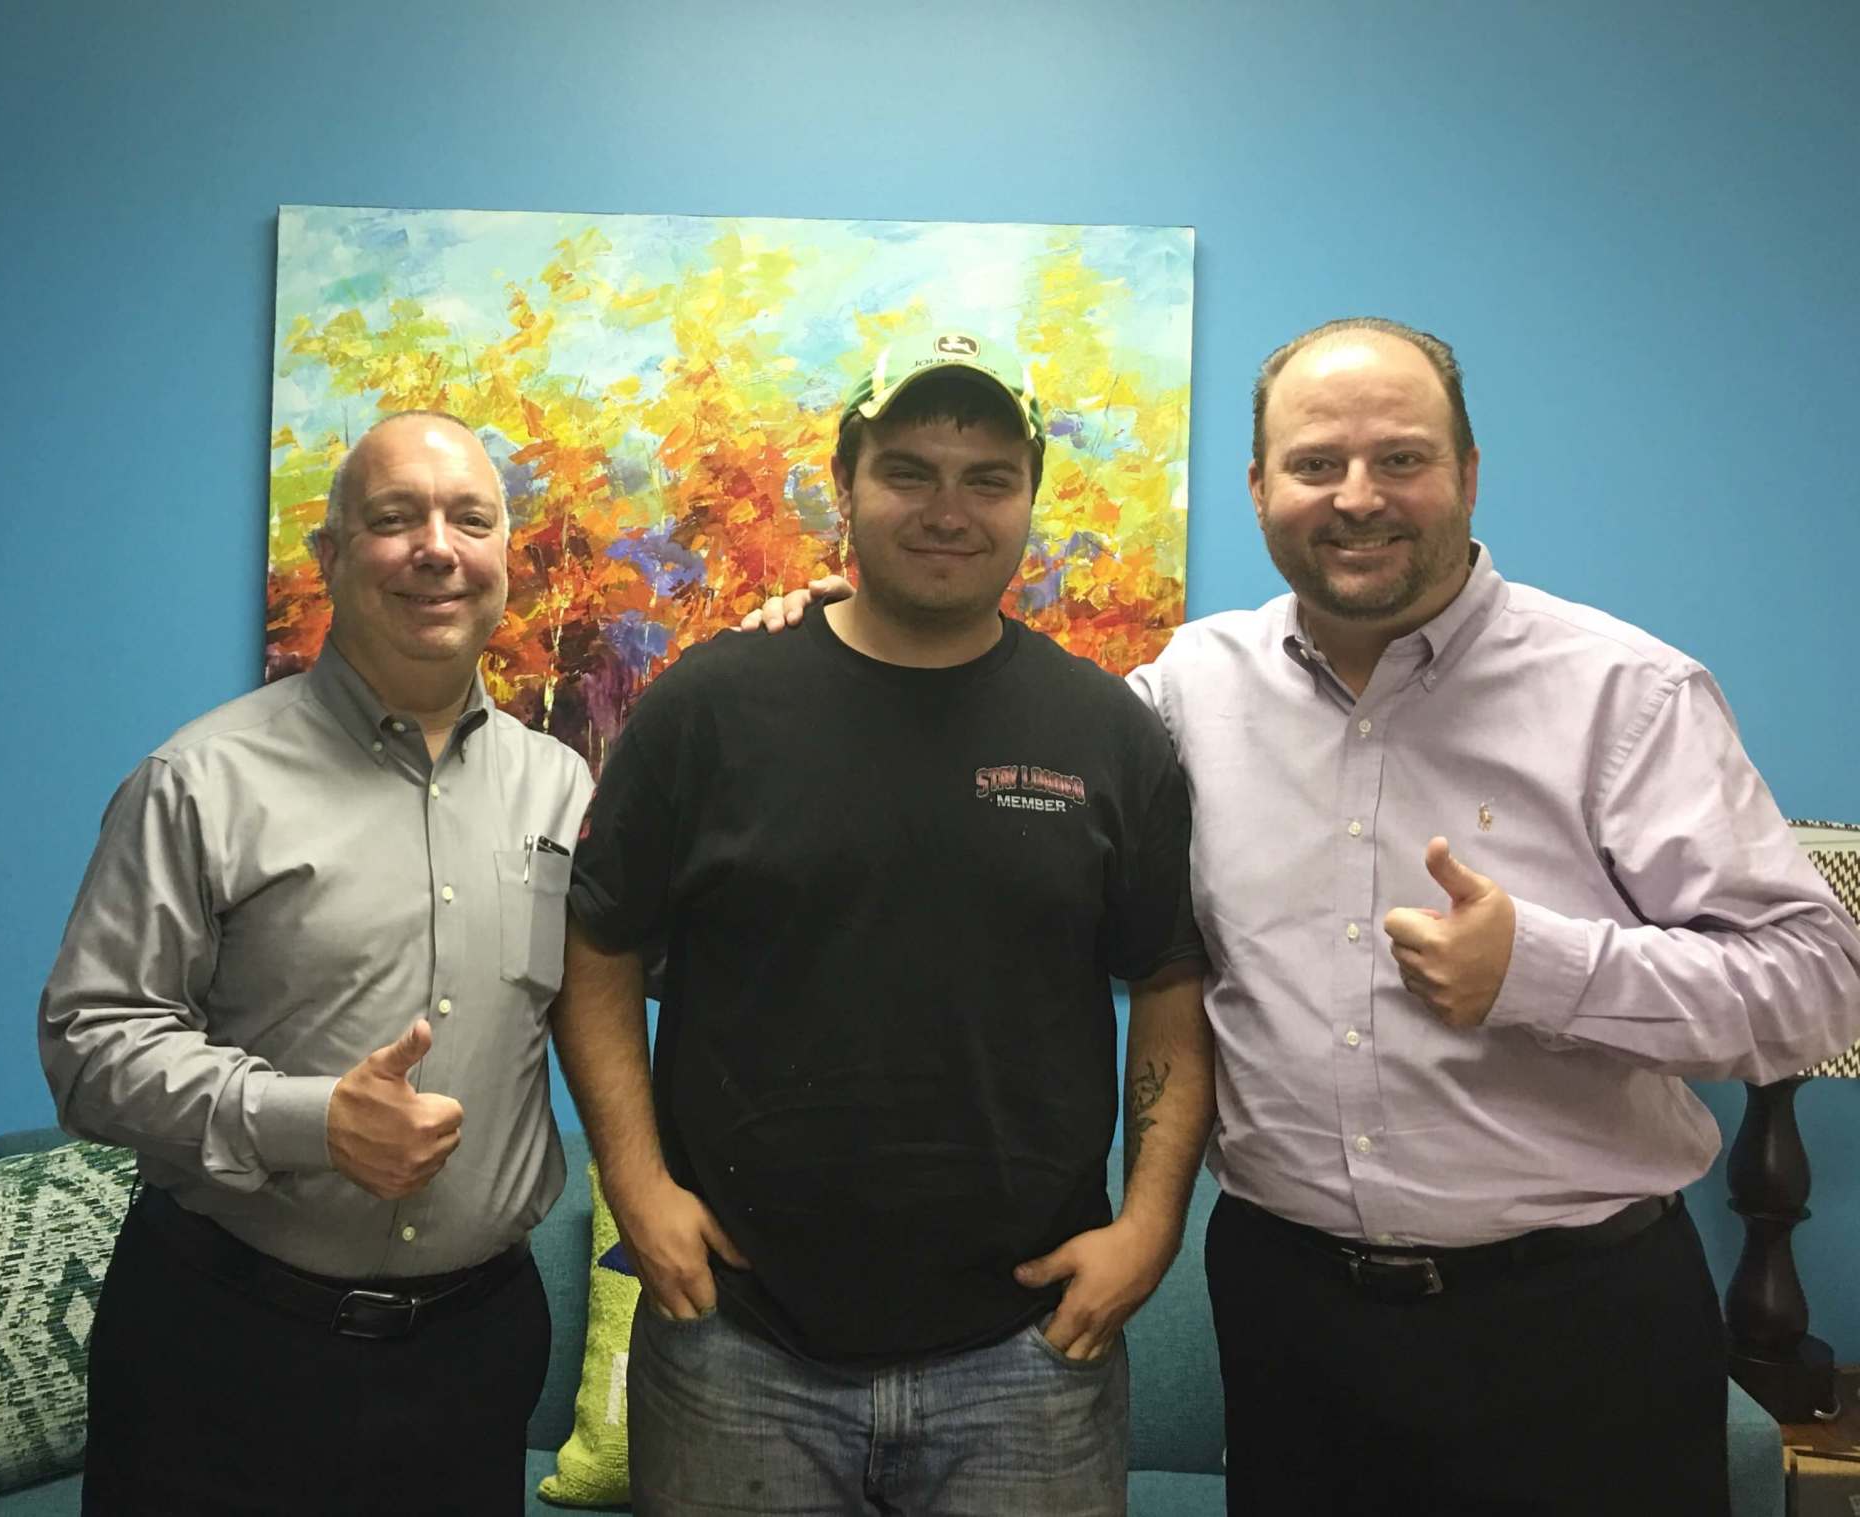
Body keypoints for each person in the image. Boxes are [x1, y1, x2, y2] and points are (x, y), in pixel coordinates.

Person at [753, 317, 1860, 1515]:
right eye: (1316, 463)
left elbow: (1815, 981)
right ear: (1260, 487)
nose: (1358, 497)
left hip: (1576, 1319)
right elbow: (1004, 741)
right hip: (1293, 1315)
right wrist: (840, 645)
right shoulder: (1184, 688)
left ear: (1469, 473)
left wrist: (1541, 967)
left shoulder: (1625, 693)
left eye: (1402, 459)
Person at [553, 332, 1212, 1516]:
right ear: (845, 482)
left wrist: (1153, 1221)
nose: (948, 509)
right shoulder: (710, 706)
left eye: (988, 478)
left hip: (1030, 1357)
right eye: (909, 470)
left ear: (1030, 499)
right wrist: (637, 1183)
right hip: (736, 1345)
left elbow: (1170, 976)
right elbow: (594, 939)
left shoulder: (1104, 731)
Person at [39, 411, 592, 1515]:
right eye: (395, 519)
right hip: (228, 1346)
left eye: (469, 519)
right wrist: (311, 1119)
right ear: (330, 558)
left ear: (504, 559)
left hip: (474, 1355)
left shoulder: (564, 789)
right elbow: (91, 1041)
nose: (437, 546)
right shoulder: (201, 779)